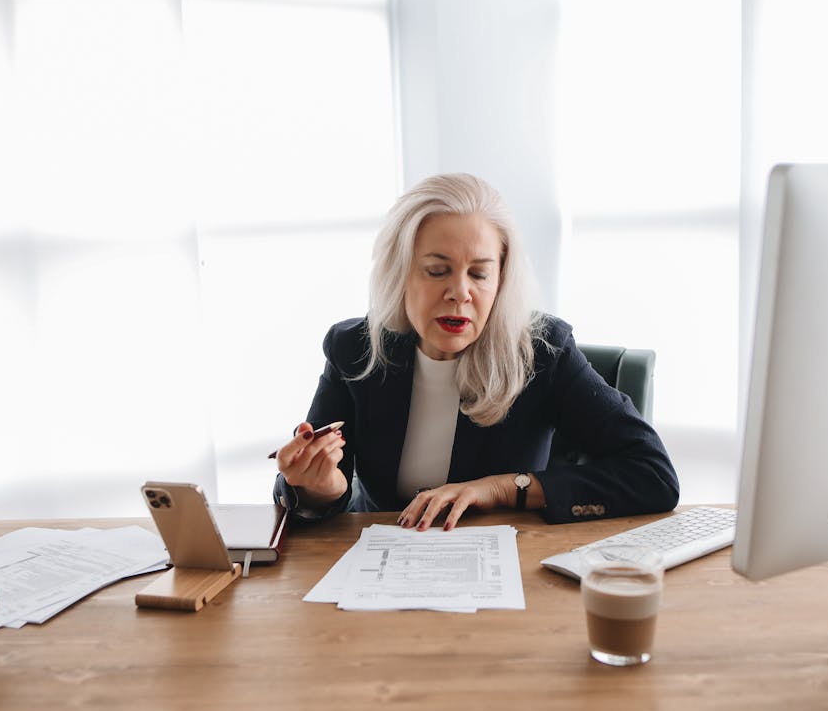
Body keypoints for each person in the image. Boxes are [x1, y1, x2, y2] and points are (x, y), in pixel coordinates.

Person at [272, 173, 678, 530]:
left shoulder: (544, 352)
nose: (460, 293)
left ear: (501, 280)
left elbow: (653, 475)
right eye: (437, 270)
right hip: (378, 564)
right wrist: (320, 489)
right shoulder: (354, 349)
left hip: (509, 566)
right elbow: (314, 494)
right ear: (400, 272)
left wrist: (503, 488)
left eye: (480, 274)